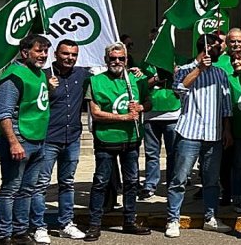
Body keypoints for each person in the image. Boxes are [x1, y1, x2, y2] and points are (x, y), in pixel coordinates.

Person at [165, 33, 234, 237]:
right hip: (190, 132)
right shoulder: (185, 69)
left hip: (214, 134)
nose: (221, 48)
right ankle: (173, 219)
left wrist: (227, 129)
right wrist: (199, 69)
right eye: (217, 45)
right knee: (180, 178)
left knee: (211, 180)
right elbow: (179, 88)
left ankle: (210, 217)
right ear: (206, 47)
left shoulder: (221, 73)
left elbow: (226, 104)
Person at [85, 42, 152, 241]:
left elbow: (149, 102)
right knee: (101, 182)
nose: (117, 61)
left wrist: (140, 107)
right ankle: (94, 224)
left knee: (132, 182)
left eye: (120, 58)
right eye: (112, 58)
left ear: (126, 59)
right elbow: (95, 113)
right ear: (106, 60)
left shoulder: (136, 81)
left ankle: (129, 221)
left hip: (131, 139)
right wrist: (123, 118)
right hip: (106, 139)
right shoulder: (95, 81)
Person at [0, 34, 53, 245]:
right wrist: (13, 142)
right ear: (25, 52)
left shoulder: (39, 74)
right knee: (11, 189)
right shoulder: (13, 76)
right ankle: (4, 235)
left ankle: (20, 231)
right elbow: (4, 113)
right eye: (39, 50)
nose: (43, 55)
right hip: (19, 140)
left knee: (27, 189)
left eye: (46, 51)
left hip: (38, 139)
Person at [32, 39, 89, 241]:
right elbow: (30, 102)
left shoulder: (82, 74)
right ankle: (39, 226)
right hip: (48, 139)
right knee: (41, 185)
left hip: (72, 138)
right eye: (65, 54)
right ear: (56, 54)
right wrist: (46, 89)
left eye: (73, 55)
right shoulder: (42, 76)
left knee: (67, 183)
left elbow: (109, 76)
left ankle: (66, 223)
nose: (70, 58)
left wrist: (134, 71)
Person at [139, 58, 180, 200]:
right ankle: (150, 185)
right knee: (151, 153)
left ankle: (172, 184)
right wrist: (157, 78)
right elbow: (140, 85)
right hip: (151, 115)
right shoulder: (144, 64)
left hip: (172, 114)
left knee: (173, 153)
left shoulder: (179, 60)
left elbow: (185, 84)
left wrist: (175, 72)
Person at [219, 29, 241, 214]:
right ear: (227, 43)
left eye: (239, 41)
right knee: (229, 164)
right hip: (229, 125)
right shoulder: (221, 62)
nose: (236, 44)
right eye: (232, 41)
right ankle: (228, 193)